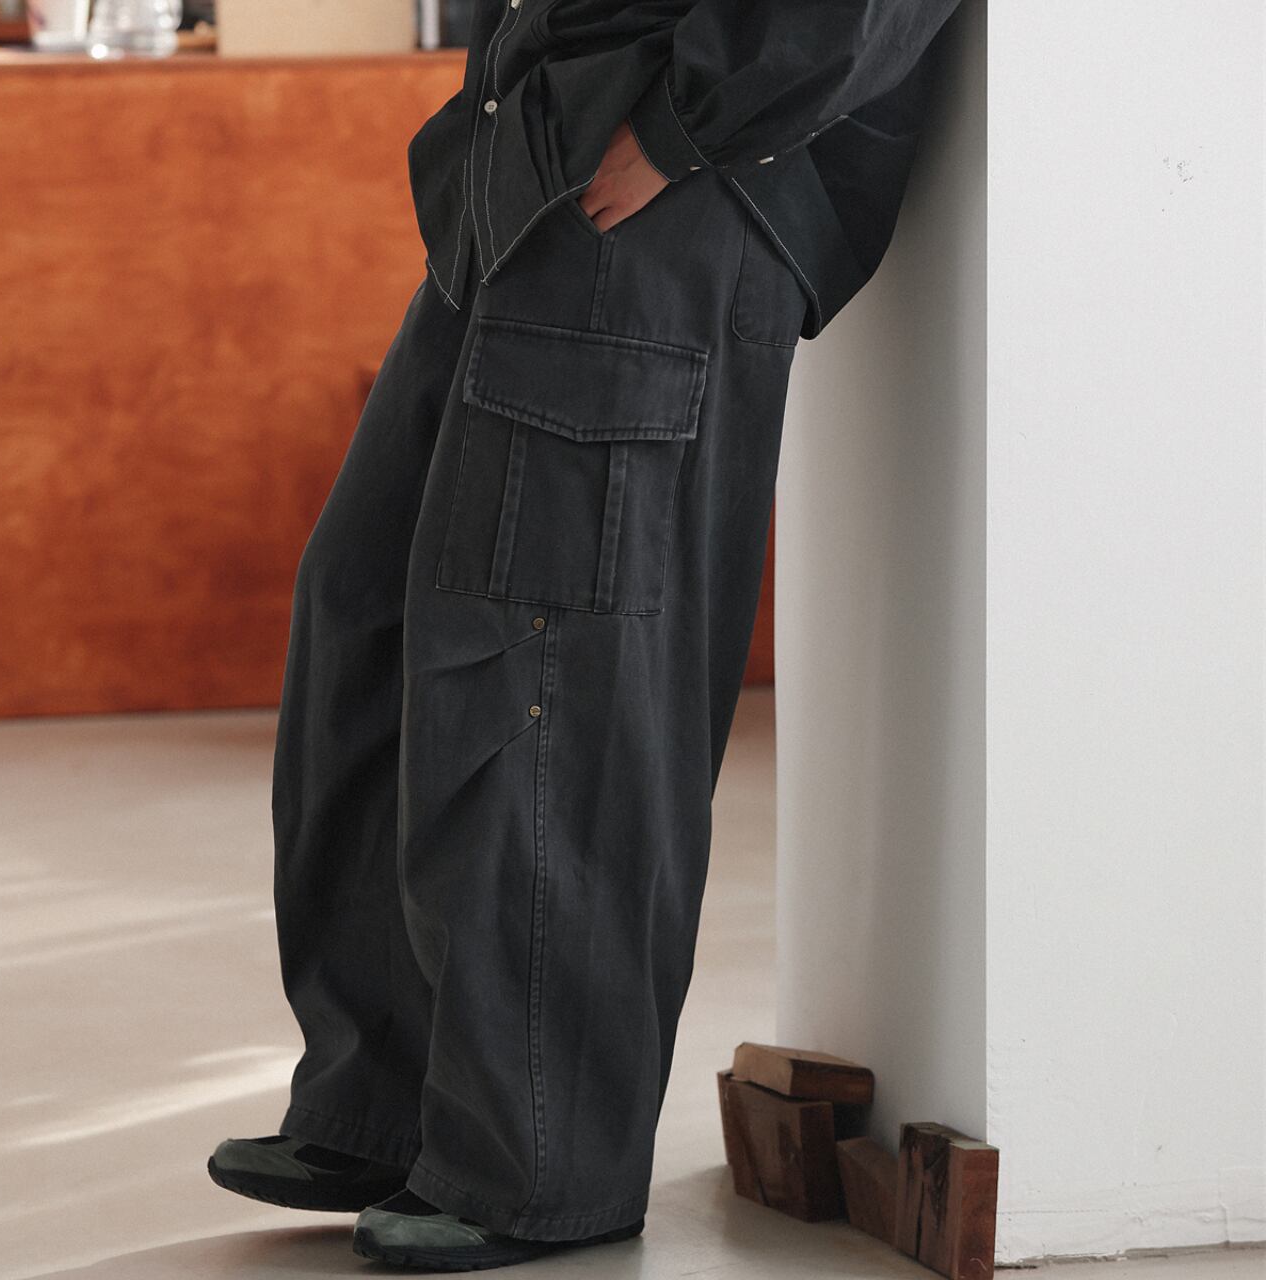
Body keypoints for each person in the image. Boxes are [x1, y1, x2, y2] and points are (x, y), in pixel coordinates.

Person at [207, 0, 962, 1270]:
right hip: (533, 155)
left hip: (671, 177)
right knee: (367, 606)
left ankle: (534, 1161)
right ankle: (386, 1105)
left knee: (549, 657)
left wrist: (683, 122)